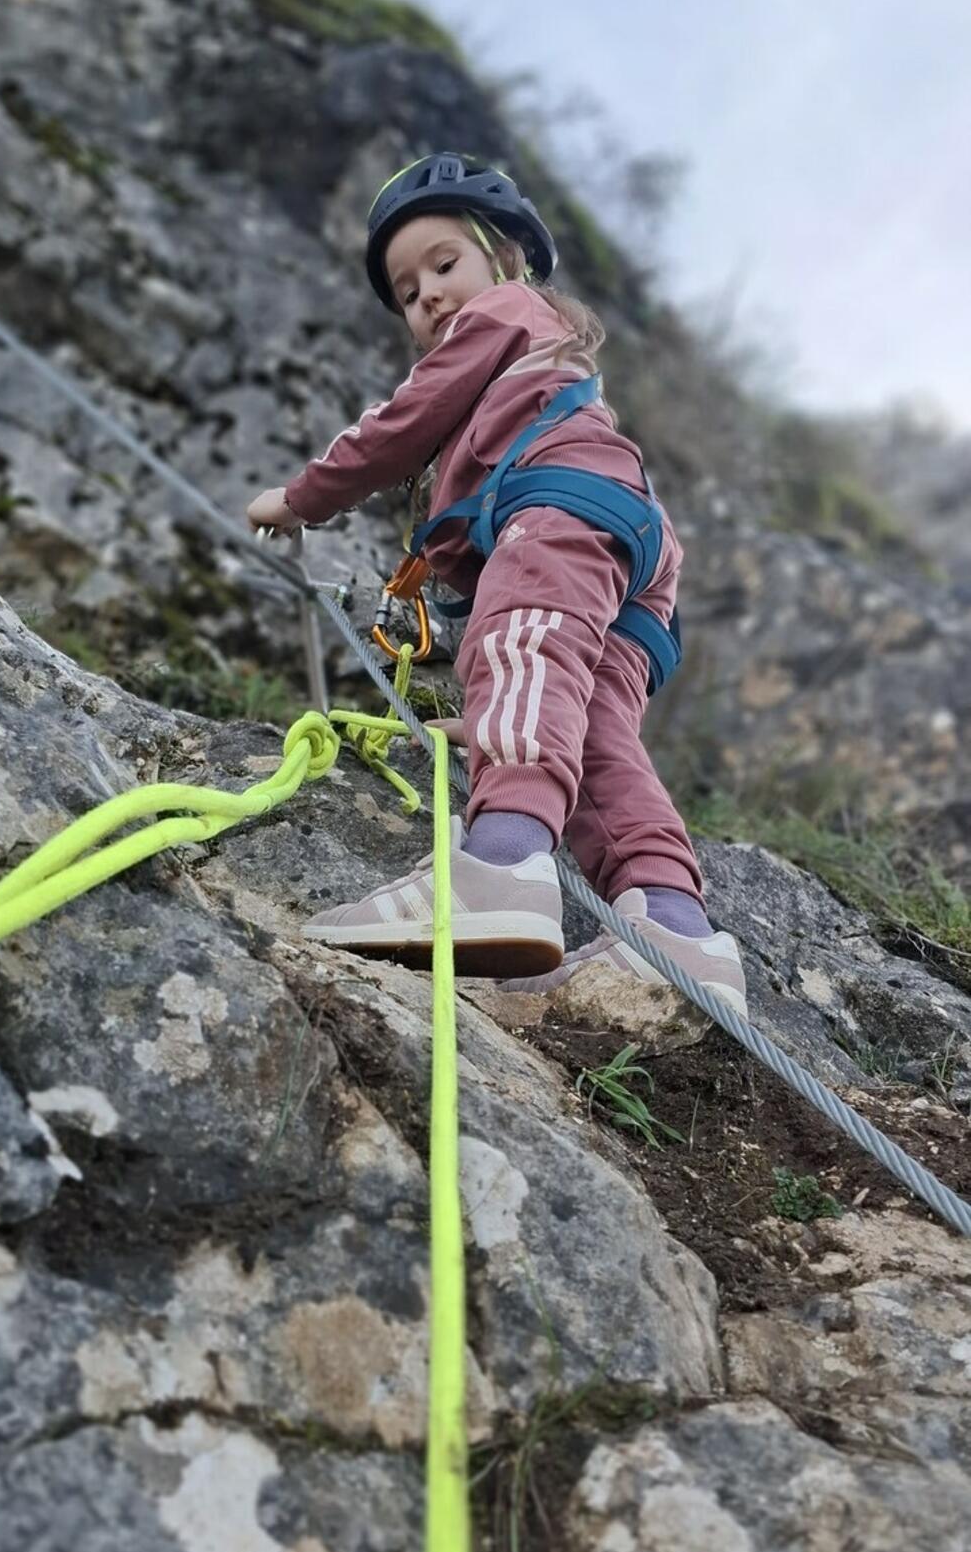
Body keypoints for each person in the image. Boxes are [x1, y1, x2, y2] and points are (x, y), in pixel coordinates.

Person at [246, 152, 746, 1013]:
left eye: (445, 264)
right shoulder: (534, 356)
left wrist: (299, 498)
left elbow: (398, 425)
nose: (430, 295)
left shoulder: (505, 313)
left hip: (560, 508)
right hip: (627, 544)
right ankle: (677, 931)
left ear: (506, 258)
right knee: (596, 740)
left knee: (519, 650)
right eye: (409, 293)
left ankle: (501, 863)